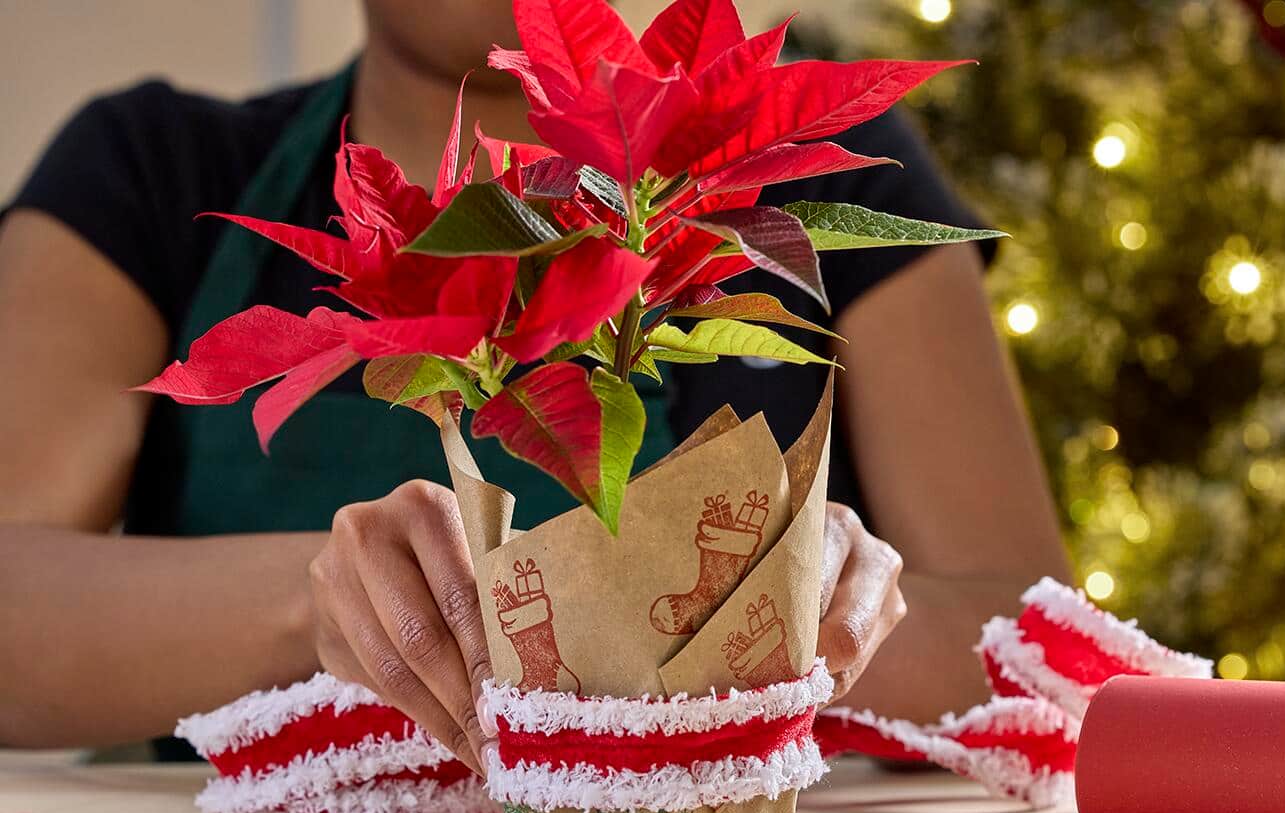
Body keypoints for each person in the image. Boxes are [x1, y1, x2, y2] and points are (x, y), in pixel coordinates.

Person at [0, 0, 1069, 768]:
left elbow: (1034, 642)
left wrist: (797, 610)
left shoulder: (818, 168)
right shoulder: (154, 169)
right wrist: (344, 602)